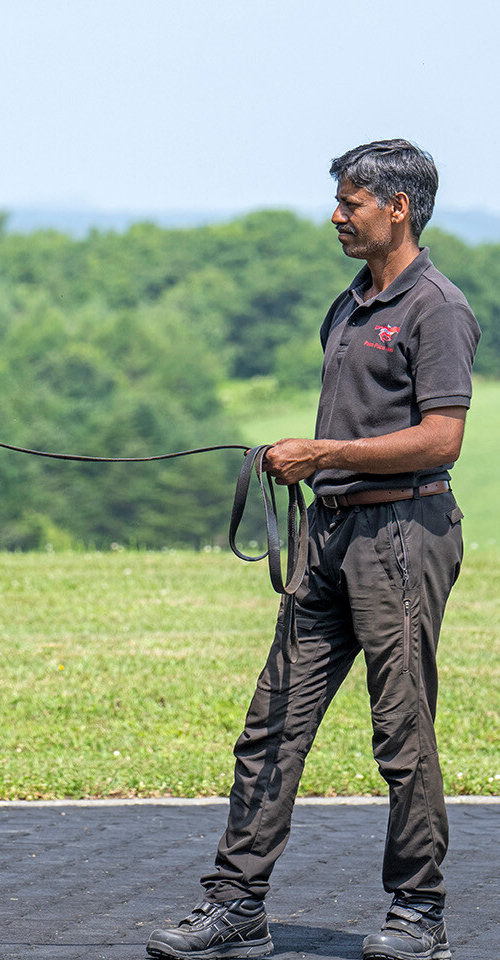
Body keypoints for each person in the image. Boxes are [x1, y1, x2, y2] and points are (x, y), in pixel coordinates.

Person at [147, 139, 480, 960]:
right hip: (328, 538)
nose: (336, 214)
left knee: (401, 734)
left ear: (397, 208)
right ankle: (236, 906)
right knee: (271, 727)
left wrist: (323, 454)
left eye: (351, 202)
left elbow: (444, 437)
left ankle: (419, 914)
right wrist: (303, 464)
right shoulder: (350, 303)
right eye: (339, 200)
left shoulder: (437, 307)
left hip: (405, 536)